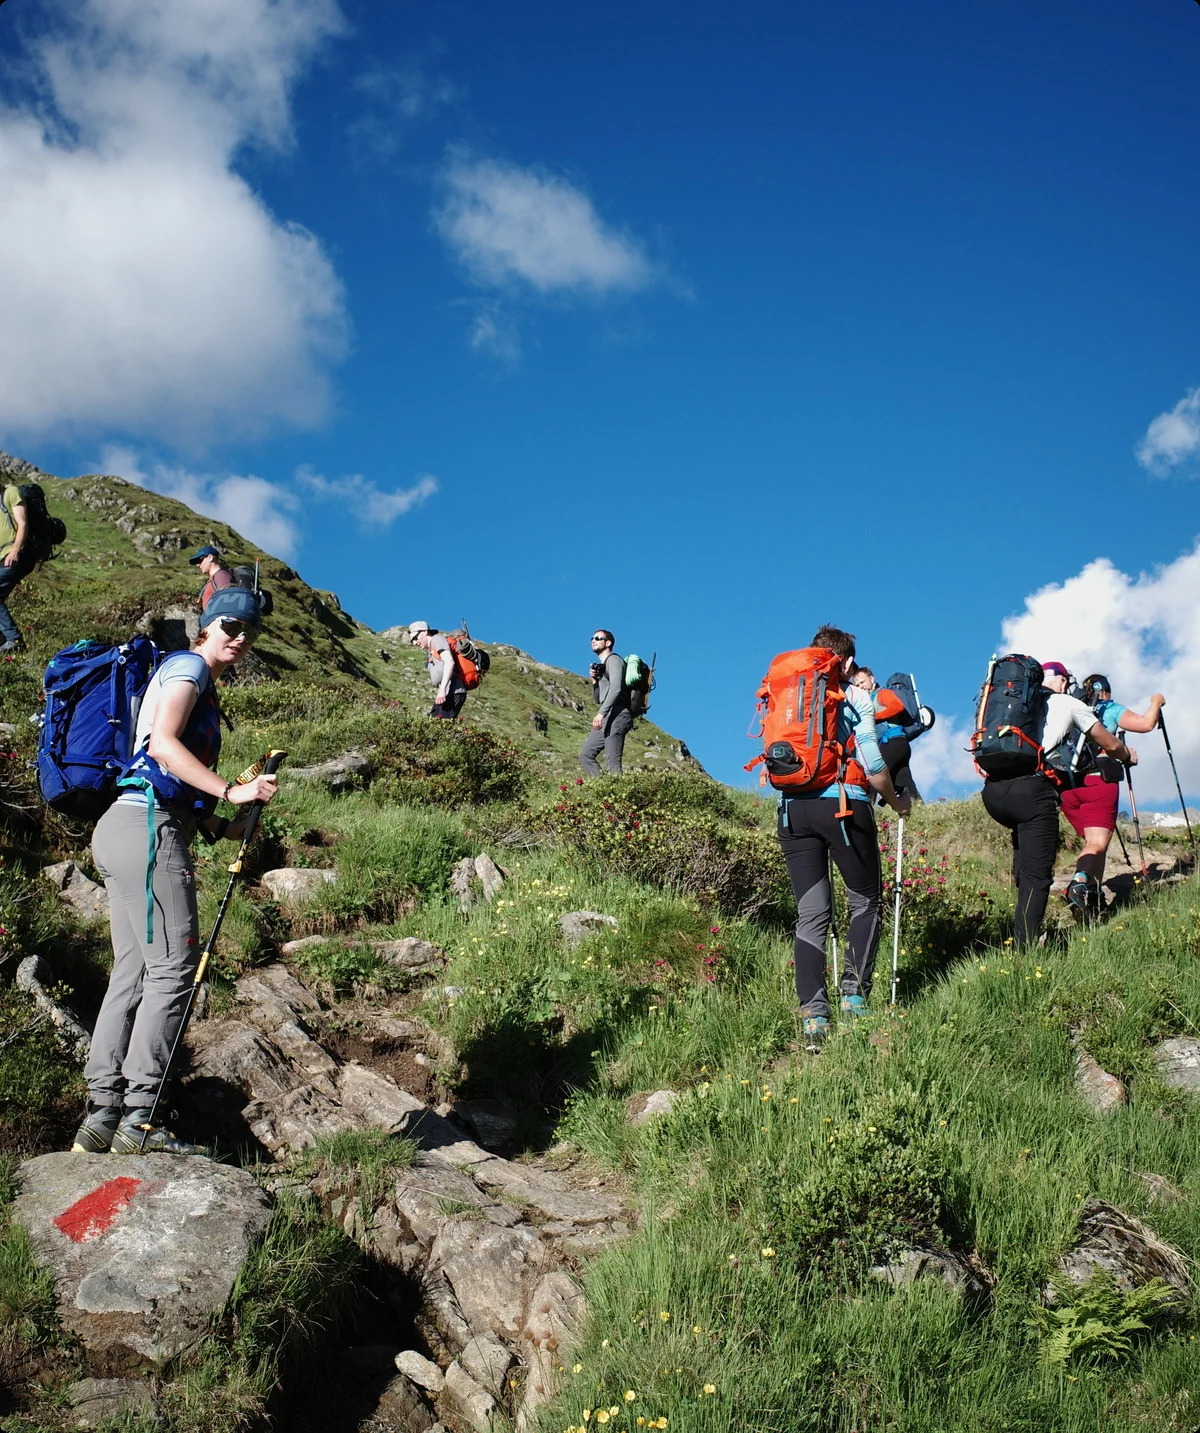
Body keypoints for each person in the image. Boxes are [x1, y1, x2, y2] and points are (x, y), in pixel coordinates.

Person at [72, 587, 278, 1156]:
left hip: (124, 827)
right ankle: (141, 1119)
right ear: (207, 625)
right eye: (231, 625)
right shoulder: (189, 667)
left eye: (250, 631)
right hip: (147, 830)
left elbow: (168, 772)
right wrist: (232, 791)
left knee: (134, 972)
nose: (240, 637)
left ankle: (102, 1117)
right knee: (173, 970)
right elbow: (163, 747)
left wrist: (222, 824)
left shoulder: (188, 677)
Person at [778, 627, 911, 1052]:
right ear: (848, 661)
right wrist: (897, 802)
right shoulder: (854, 697)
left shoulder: (790, 692)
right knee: (864, 900)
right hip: (843, 805)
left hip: (793, 811)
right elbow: (873, 765)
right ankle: (853, 996)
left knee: (811, 913)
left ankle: (814, 1016)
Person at [980, 660, 1132, 947]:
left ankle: (1019, 925)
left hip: (993, 791)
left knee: (1024, 863)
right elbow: (1110, 744)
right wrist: (1126, 756)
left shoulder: (1010, 703)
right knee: (1036, 877)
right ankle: (1025, 949)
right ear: (1063, 681)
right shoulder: (1068, 703)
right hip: (1032, 792)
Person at [1060, 674, 1163, 917]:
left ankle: (1094, 898)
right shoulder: (1110, 708)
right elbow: (1146, 723)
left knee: (1094, 844)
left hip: (1068, 788)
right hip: (1099, 782)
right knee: (1096, 844)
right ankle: (1078, 884)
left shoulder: (1071, 708)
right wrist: (1157, 701)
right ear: (1106, 692)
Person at [851, 667, 923, 801]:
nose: (861, 686)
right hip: (899, 744)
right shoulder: (869, 699)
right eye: (858, 685)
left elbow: (897, 706)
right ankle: (917, 807)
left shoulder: (882, 693)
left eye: (863, 682)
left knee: (874, 775)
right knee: (904, 780)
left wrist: (874, 716)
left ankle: (867, 806)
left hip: (892, 742)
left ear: (872, 678)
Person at [580, 629, 634, 776]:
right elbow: (598, 699)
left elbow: (616, 688)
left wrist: (600, 714)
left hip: (618, 714)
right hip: (608, 715)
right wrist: (594, 680)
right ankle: (602, 787)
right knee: (586, 755)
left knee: (613, 762)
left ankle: (617, 790)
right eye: (592, 638)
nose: (593, 640)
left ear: (608, 643)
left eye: (598, 638)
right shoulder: (603, 666)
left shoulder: (614, 660)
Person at [408, 620, 468, 718]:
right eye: (412, 641)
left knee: (441, 724)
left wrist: (442, 689)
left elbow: (449, 662)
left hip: (453, 691)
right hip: (447, 692)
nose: (414, 643)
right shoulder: (430, 650)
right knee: (434, 722)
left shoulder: (436, 639)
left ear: (425, 631)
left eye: (415, 638)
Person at [0, 481, 33, 654]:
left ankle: (14, 640)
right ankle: (6, 644)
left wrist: (15, 550)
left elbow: (23, 523)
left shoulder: (10, 493)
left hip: (14, 554)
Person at [189, 545, 235, 610]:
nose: (198, 565)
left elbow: (228, 604)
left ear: (210, 557)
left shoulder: (221, 577)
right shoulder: (213, 579)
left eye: (200, 560)